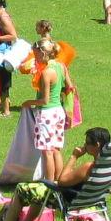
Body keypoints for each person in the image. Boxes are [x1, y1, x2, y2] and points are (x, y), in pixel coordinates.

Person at [0, 127, 111, 221]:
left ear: (97, 145)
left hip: (67, 199)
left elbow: (62, 181)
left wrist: (74, 156)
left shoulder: (88, 167)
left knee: (21, 188)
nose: (85, 145)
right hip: (92, 200)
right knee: (39, 191)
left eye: (87, 143)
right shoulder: (108, 165)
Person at [24, 36, 76, 181]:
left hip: (47, 114)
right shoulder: (61, 66)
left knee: (47, 151)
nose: (35, 58)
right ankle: (59, 181)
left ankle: (48, 182)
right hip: (59, 111)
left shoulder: (47, 73)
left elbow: (44, 100)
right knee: (56, 150)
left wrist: (29, 102)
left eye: (36, 55)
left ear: (43, 53)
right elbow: (69, 86)